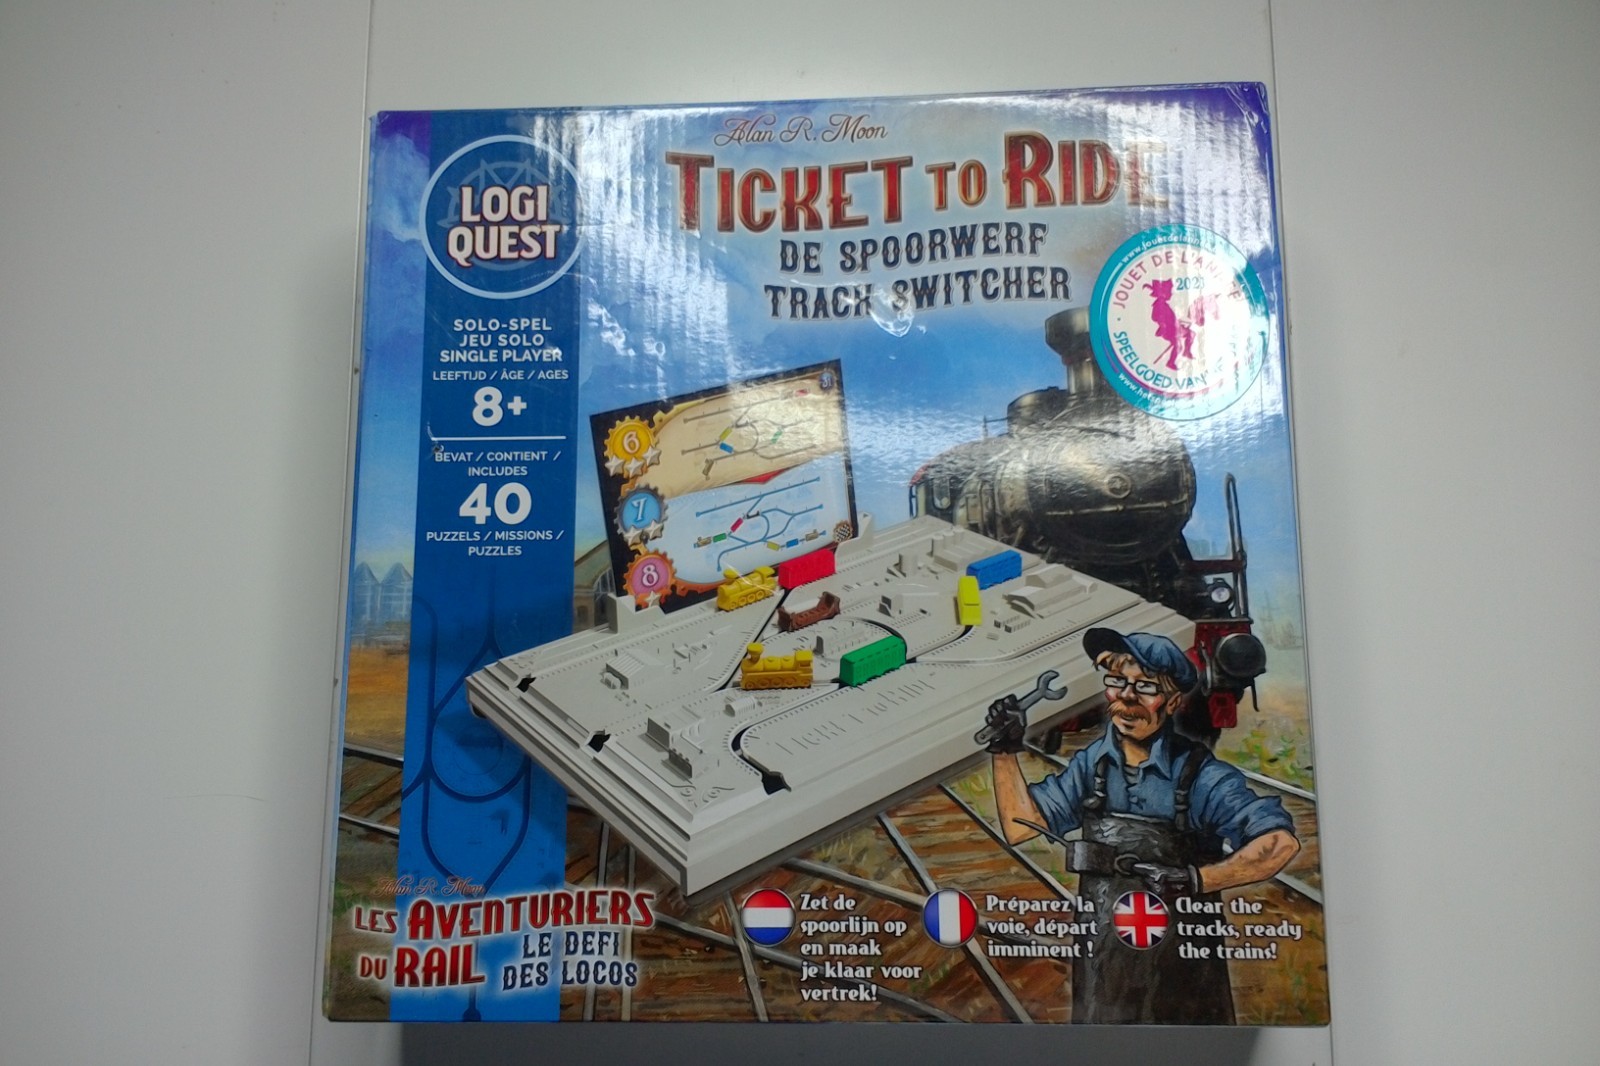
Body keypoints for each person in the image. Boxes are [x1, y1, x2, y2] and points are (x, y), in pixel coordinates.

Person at [985, 627, 1299, 1024]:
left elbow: (1280, 843)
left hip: (1183, 973)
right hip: (1105, 963)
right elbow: (1022, 826)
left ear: (1172, 702)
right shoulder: (1092, 766)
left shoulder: (1200, 776)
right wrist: (1004, 750)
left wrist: (1195, 881)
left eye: (1146, 687)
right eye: (1118, 682)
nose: (1127, 697)